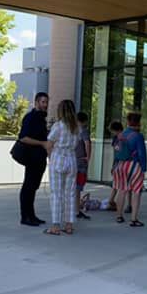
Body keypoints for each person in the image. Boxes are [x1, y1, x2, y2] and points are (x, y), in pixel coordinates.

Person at [44, 99, 84, 236]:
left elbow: (49, 145)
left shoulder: (58, 126)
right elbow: (77, 143)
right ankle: (69, 225)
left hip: (58, 159)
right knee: (70, 193)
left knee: (56, 193)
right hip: (72, 160)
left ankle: (56, 225)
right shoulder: (77, 127)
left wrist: (51, 157)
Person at [12, 92, 50, 226]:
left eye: (46, 102)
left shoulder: (41, 118)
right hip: (32, 157)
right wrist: (42, 143)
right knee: (28, 186)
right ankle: (25, 216)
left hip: (38, 158)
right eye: (43, 102)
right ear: (36, 102)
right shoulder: (30, 117)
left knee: (33, 187)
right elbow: (23, 137)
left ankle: (31, 215)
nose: (45, 105)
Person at [110, 114, 146, 227]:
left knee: (121, 190)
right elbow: (142, 154)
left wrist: (114, 166)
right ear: (139, 123)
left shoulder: (121, 135)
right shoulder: (138, 136)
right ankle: (134, 219)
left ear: (128, 122)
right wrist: (144, 168)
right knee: (136, 192)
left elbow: (116, 152)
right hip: (134, 165)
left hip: (120, 165)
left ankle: (119, 216)